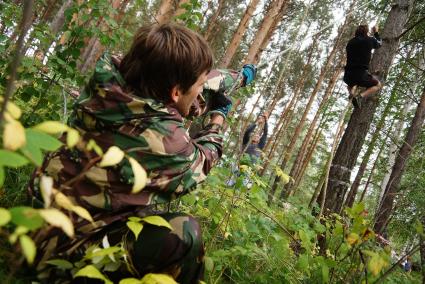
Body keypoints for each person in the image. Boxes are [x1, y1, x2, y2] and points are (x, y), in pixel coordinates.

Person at [29, 23, 256, 283]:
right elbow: (203, 160)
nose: (200, 90)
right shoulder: (165, 143)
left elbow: (204, 79)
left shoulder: (110, 78)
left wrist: (240, 77)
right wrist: (217, 121)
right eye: (197, 87)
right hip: (59, 262)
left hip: (34, 231)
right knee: (184, 234)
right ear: (175, 91)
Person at [343, 24, 382, 108]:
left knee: (350, 84)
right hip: (360, 74)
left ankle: (351, 94)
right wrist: (376, 32)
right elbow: (379, 44)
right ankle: (359, 97)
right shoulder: (370, 40)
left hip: (347, 75)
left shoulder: (350, 42)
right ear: (366, 32)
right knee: (378, 85)